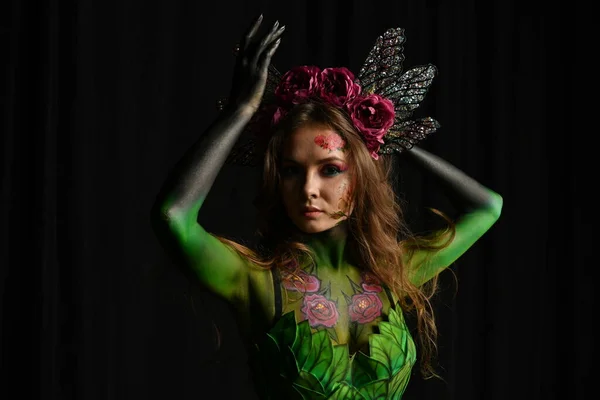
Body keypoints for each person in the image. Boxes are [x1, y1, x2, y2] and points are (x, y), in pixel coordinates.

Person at [150, 15, 503, 399]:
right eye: (290, 171)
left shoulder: (395, 273)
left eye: (331, 169)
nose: (308, 189)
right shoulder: (254, 281)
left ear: (362, 175)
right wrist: (241, 111)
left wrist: (387, 135)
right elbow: (175, 217)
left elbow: (487, 206)